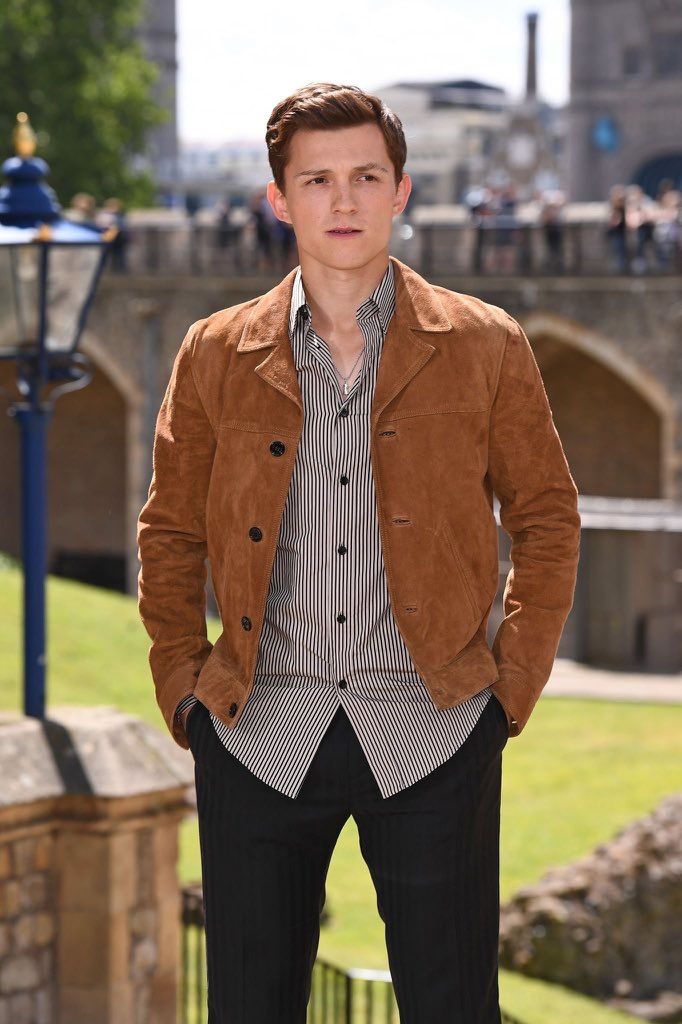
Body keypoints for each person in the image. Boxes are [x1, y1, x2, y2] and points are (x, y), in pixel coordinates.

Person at [136, 82, 581, 1024]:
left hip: (437, 728)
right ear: (279, 198)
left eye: (366, 177)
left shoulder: (485, 344)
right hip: (256, 732)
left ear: (401, 191)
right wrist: (183, 686)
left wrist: (511, 689)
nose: (344, 201)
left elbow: (546, 516)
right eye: (318, 180)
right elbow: (169, 531)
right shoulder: (213, 352)